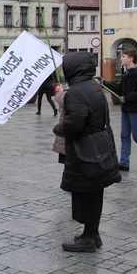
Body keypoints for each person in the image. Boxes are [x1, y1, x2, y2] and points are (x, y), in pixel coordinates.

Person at [54, 52, 121, 252]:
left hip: (84, 151)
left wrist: (59, 128)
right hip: (98, 148)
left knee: (85, 194)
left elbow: (75, 124)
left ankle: (88, 238)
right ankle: (92, 232)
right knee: (95, 192)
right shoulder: (94, 86)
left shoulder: (76, 92)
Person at [101, 49, 137, 171]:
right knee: (124, 135)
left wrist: (127, 98)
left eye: (124, 56)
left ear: (131, 58)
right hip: (126, 108)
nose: (121, 58)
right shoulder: (127, 73)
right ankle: (124, 163)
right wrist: (104, 83)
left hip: (136, 109)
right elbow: (120, 90)